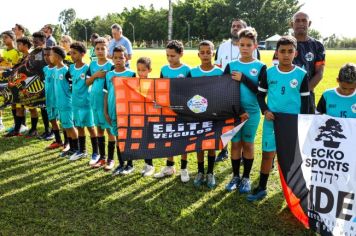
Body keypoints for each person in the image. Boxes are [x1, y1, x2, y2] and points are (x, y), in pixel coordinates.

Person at [247, 36, 310, 202]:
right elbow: (260, 95)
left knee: (291, 157)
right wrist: (265, 110)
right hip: (272, 121)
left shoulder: (302, 75)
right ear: (277, 53)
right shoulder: (269, 73)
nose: (286, 55)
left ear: (295, 53)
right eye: (282, 51)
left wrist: (303, 123)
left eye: (290, 51)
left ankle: (293, 191)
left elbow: (306, 102)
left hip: (292, 124)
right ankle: (261, 187)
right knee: (268, 155)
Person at [224, 28, 266, 193]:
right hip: (235, 112)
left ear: (255, 46)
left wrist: (244, 79)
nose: (245, 48)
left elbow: (261, 92)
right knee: (235, 144)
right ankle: (235, 176)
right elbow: (225, 91)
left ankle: (246, 178)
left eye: (249, 45)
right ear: (237, 45)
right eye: (242, 44)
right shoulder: (231, 65)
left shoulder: (261, 67)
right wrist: (239, 110)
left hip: (252, 113)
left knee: (248, 144)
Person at [215, 19, 260, 162]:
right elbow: (218, 67)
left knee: (246, 142)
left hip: (250, 104)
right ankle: (223, 151)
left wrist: (243, 79)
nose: (235, 28)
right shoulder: (222, 46)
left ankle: (242, 160)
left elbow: (258, 82)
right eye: (233, 25)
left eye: (238, 26)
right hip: (228, 98)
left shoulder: (256, 58)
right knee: (229, 134)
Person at [188, 40, 224, 188]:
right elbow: (188, 93)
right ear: (198, 54)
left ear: (213, 53)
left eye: (208, 52)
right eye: (202, 52)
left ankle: (210, 172)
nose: (205, 55)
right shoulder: (193, 72)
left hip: (213, 115)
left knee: (211, 145)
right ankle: (200, 172)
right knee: (199, 145)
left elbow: (223, 94)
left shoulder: (220, 72)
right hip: (197, 116)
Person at [153, 40, 191, 183]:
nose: (170, 59)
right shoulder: (164, 69)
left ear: (181, 54)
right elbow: (160, 88)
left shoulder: (187, 70)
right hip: (167, 110)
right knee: (169, 137)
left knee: (182, 138)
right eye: (167, 55)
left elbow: (191, 91)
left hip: (182, 111)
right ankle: (169, 167)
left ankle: (184, 168)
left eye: (173, 56)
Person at [273, 12, 325, 113]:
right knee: (285, 127)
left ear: (309, 24)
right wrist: (290, 92)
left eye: (304, 20)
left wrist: (304, 91)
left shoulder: (317, 45)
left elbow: (319, 73)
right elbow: (276, 72)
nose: (301, 23)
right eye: (297, 21)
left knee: (306, 126)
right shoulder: (283, 43)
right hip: (285, 96)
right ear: (292, 24)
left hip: (307, 95)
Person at [104, 45, 136, 174]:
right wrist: (105, 112)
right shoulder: (109, 75)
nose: (118, 60)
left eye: (121, 58)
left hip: (126, 112)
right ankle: (121, 163)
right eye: (116, 58)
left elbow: (135, 95)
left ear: (126, 58)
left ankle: (130, 164)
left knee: (127, 138)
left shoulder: (131, 74)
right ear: (112, 59)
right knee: (118, 138)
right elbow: (106, 93)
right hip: (113, 111)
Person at [85, 37, 114, 168]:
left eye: (103, 48)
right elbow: (87, 82)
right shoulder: (92, 65)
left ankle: (111, 160)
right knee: (99, 129)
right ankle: (102, 158)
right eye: (98, 49)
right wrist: (95, 75)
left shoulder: (111, 66)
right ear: (94, 50)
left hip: (106, 103)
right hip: (94, 102)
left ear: (108, 50)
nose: (100, 51)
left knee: (110, 130)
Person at [68, 42, 99, 161]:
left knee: (91, 128)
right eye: (71, 53)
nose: (72, 55)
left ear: (82, 54)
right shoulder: (70, 68)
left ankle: (96, 153)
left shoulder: (87, 68)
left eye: (74, 53)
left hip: (86, 103)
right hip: (75, 103)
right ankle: (82, 151)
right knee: (79, 126)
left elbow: (90, 82)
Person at [50, 46, 79, 158]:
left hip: (67, 103)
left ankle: (76, 148)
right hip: (60, 104)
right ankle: (71, 148)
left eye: (51, 54)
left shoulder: (66, 70)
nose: (49, 57)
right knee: (66, 126)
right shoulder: (55, 70)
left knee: (71, 126)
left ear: (57, 57)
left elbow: (72, 87)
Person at [136, 56, 155, 177]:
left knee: (149, 141)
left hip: (150, 118)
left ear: (149, 70)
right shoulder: (134, 82)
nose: (141, 72)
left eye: (143, 70)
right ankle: (147, 164)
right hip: (139, 117)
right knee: (142, 141)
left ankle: (151, 165)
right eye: (138, 70)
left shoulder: (153, 83)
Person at [0, 30, 21, 133]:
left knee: (18, 104)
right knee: (11, 103)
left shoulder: (17, 52)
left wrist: (8, 67)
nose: (4, 40)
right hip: (4, 81)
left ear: (12, 38)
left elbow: (19, 66)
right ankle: (15, 125)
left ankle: (20, 125)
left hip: (15, 81)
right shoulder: (3, 52)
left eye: (6, 37)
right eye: (3, 38)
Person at [43, 47, 63, 149]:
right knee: (52, 120)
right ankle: (58, 140)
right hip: (49, 99)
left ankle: (68, 142)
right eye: (45, 55)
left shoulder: (59, 69)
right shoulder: (45, 69)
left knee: (63, 121)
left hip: (58, 99)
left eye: (49, 55)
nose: (47, 57)